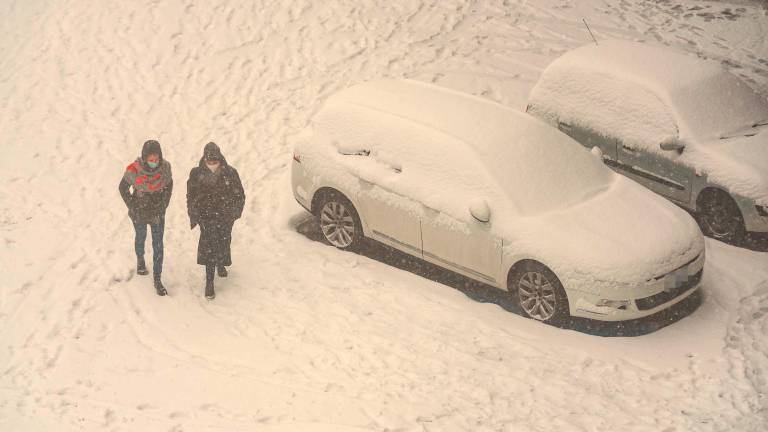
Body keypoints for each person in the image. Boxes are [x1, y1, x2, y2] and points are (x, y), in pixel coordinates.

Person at [186, 142, 245, 300]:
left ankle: (221, 263)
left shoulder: (231, 173)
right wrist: (194, 215)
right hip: (206, 217)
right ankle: (209, 282)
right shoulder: (196, 174)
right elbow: (190, 196)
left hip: (225, 217)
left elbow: (239, 195)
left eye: (215, 161)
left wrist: (234, 214)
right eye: (209, 162)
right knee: (209, 248)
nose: (212, 165)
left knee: (224, 242)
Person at [118, 140, 173, 296]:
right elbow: (122, 188)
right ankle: (140, 259)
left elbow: (169, 186)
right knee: (140, 237)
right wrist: (133, 206)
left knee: (158, 245)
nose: (154, 162)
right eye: (151, 159)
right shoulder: (134, 170)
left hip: (157, 213)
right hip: (139, 212)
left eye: (157, 159)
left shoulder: (165, 169)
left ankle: (157, 278)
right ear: (144, 157)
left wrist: (163, 205)